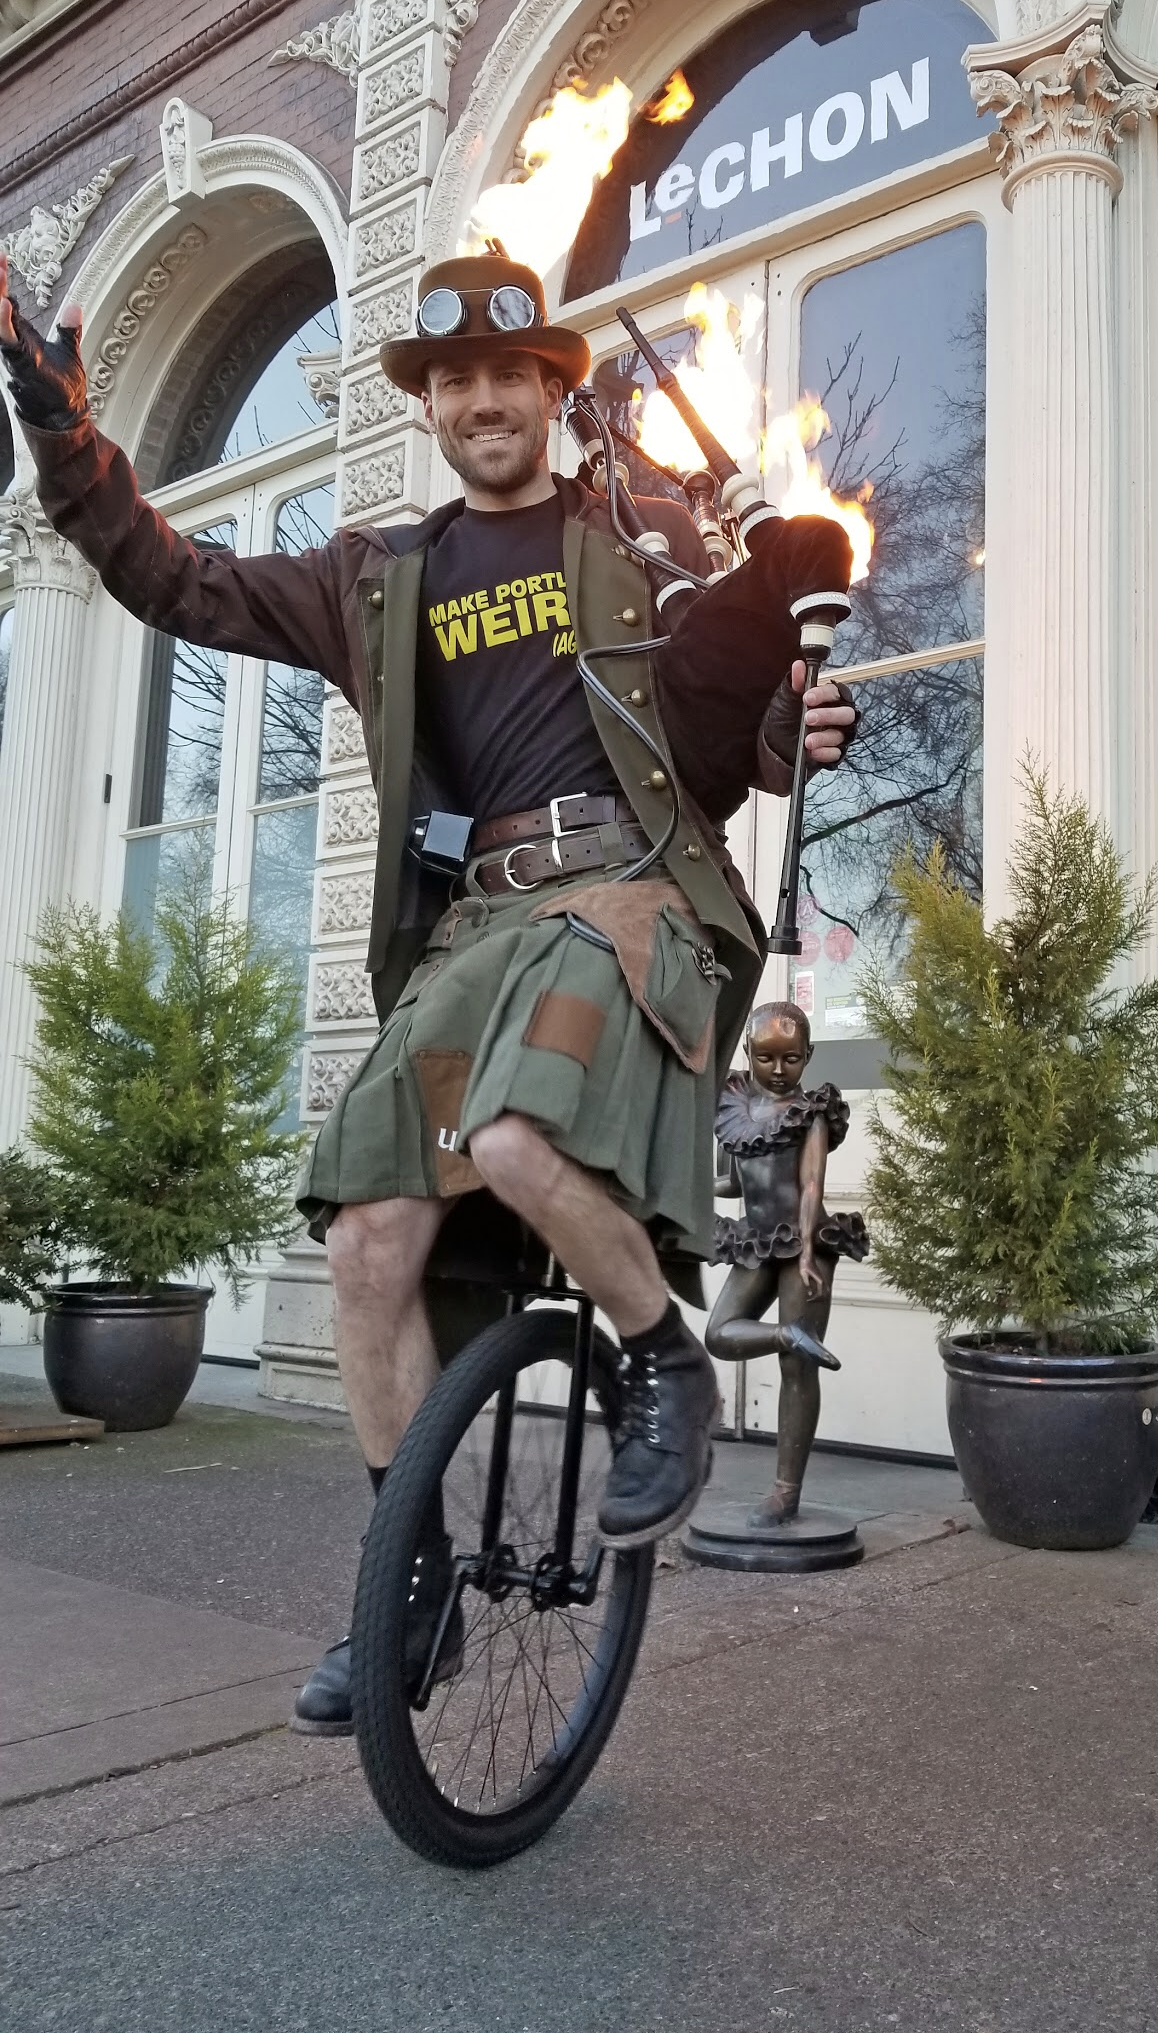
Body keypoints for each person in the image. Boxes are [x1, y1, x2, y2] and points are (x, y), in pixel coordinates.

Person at [0, 249, 858, 1733]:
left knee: (519, 1140)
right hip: (474, 930)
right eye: (452, 381)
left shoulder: (639, 532)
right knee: (367, 1239)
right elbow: (171, 578)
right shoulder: (374, 576)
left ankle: (662, 1365)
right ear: (430, 407)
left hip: (634, 895)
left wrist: (801, 717)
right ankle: (413, 1580)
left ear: (551, 392)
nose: (481, 401)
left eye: (508, 377)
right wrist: (63, 435)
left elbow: (736, 717)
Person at [706, 1001, 868, 1527]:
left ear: (808, 1057)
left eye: (792, 1058)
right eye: (768, 1058)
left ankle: (784, 1491)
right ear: (748, 1053)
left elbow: (811, 1185)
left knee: (797, 1373)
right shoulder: (732, 1107)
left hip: (805, 1246)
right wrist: (684, 1190)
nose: (779, 1070)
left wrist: (803, 1252)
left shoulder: (811, 1110)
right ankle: (784, 1333)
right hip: (757, 1241)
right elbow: (732, 1182)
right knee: (721, 1334)